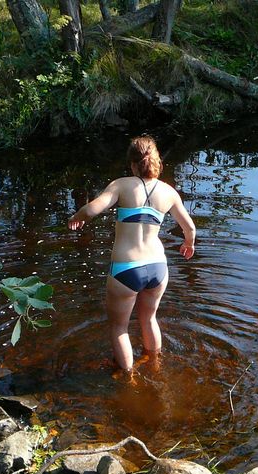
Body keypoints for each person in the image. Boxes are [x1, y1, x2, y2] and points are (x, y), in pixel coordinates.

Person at [68, 136, 196, 372]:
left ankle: (129, 380)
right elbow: (189, 228)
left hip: (126, 269)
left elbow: (92, 209)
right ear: (156, 161)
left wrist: (77, 218)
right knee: (149, 319)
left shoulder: (121, 185)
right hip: (158, 267)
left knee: (119, 328)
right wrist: (189, 244)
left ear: (133, 164)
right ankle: (155, 365)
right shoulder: (169, 192)